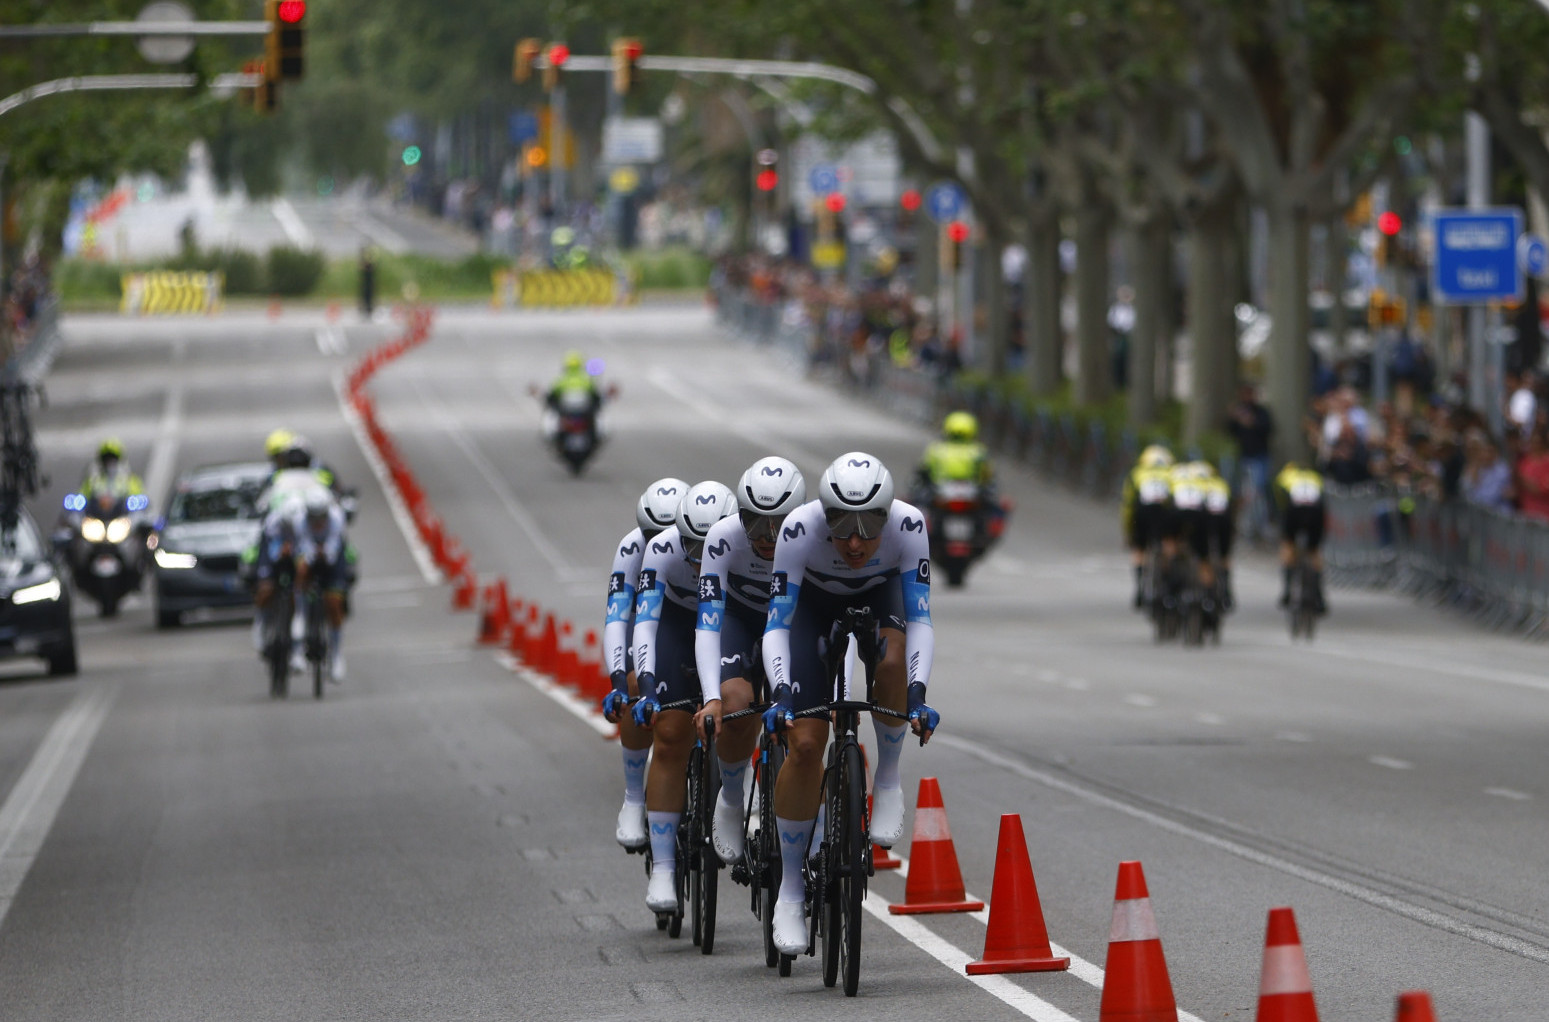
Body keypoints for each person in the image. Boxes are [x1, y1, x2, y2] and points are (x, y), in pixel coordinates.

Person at [760, 452, 938, 955]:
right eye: (841, 524)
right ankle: (791, 892)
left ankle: (886, 777)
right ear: (822, 513)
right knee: (805, 744)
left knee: (890, 663)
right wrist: (779, 694)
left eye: (868, 524)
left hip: (883, 597)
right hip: (812, 610)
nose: (855, 540)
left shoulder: (910, 525)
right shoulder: (797, 529)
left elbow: (921, 619)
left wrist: (918, 694)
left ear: (888, 514)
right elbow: (777, 625)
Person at [629, 481, 737, 916]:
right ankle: (664, 867)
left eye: (708, 547)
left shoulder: (746, 548)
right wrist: (649, 688)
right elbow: (645, 623)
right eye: (691, 547)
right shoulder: (661, 550)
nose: (699, 560)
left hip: (732, 618)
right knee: (671, 732)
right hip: (675, 622)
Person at [693, 456, 806, 864]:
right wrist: (711, 698)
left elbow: (829, 625)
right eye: (754, 522)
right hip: (738, 622)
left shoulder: (813, 537)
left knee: (808, 717)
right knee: (736, 700)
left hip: (793, 623)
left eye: (779, 523)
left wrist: (837, 690)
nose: (767, 536)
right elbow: (707, 622)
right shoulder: (722, 538)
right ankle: (732, 795)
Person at [599, 476, 690, 850]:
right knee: (636, 687)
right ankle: (634, 796)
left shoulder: (708, 537)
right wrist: (619, 681)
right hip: (651, 619)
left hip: (697, 618)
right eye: (652, 536)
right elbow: (618, 619)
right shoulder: (630, 549)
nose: (661, 546)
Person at [294, 486, 356, 682]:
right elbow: (303, 544)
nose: (318, 521)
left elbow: (334, 546)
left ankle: (336, 655)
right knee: (300, 571)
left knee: (334, 603)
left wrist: (325, 554)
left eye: (321, 516)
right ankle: (300, 619)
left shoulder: (337, 518)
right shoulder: (300, 520)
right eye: (314, 517)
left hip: (332, 558)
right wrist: (312, 556)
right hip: (310, 555)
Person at [1121, 444, 1178, 608]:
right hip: (1164, 512)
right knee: (1169, 541)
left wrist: (1128, 530)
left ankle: (1140, 586)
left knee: (1139, 548)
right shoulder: (1172, 473)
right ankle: (1169, 582)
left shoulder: (1136, 473)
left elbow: (1127, 505)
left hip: (1142, 512)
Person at [1273, 461, 1327, 613]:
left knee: (1288, 544)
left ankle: (1287, 590)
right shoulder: (1315, 477)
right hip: (1315, 510)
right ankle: (1319, 596)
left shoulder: (1285, 476)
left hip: (1294, 510)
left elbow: (1279, 501)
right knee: (1314, 550)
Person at [1225, 383, 1273, 542]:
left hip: (1259, 456)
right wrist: (1233, 418)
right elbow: (1229, 431)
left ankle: (1261, 525)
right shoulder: (1237, 411)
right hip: (1241, 457)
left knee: (1259, 491)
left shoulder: (1262, 412)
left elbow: (1268, 429)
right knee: (1240, 493)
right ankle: (1241, 526)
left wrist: (1250, 421)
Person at [80, 439, 144, 501]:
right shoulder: (92, 480)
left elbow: (138, 499)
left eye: (113, 459)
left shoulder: (129, 480)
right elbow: (82, 496)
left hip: (122, 511)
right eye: (106, 459)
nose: (109, 462)